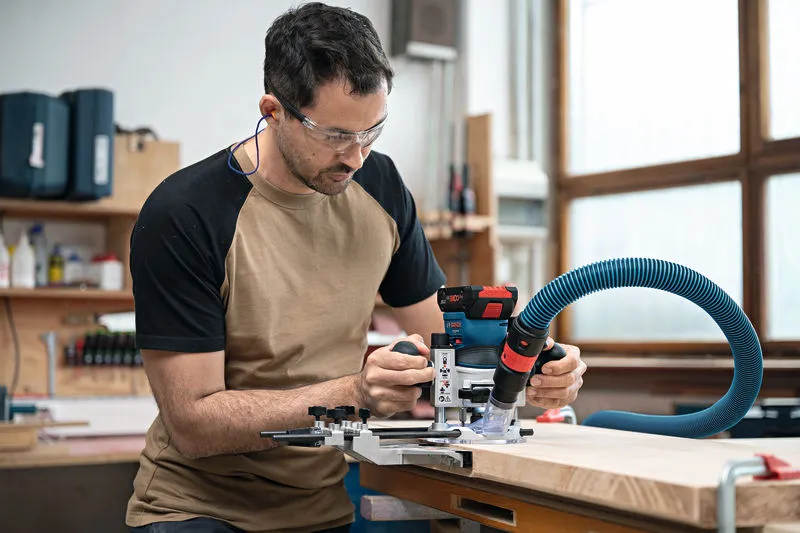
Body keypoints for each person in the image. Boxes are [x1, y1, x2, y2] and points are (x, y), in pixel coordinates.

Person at [125, 3, 587, 532]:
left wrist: (531, 369)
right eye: (336, 136)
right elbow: (193, 425)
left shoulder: (380, 188)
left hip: (318, 510)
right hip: (199, 511)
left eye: (373, 131)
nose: (358, 156)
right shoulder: (185, 214)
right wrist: (353, 394)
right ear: (273, 111)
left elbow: (454, 342)